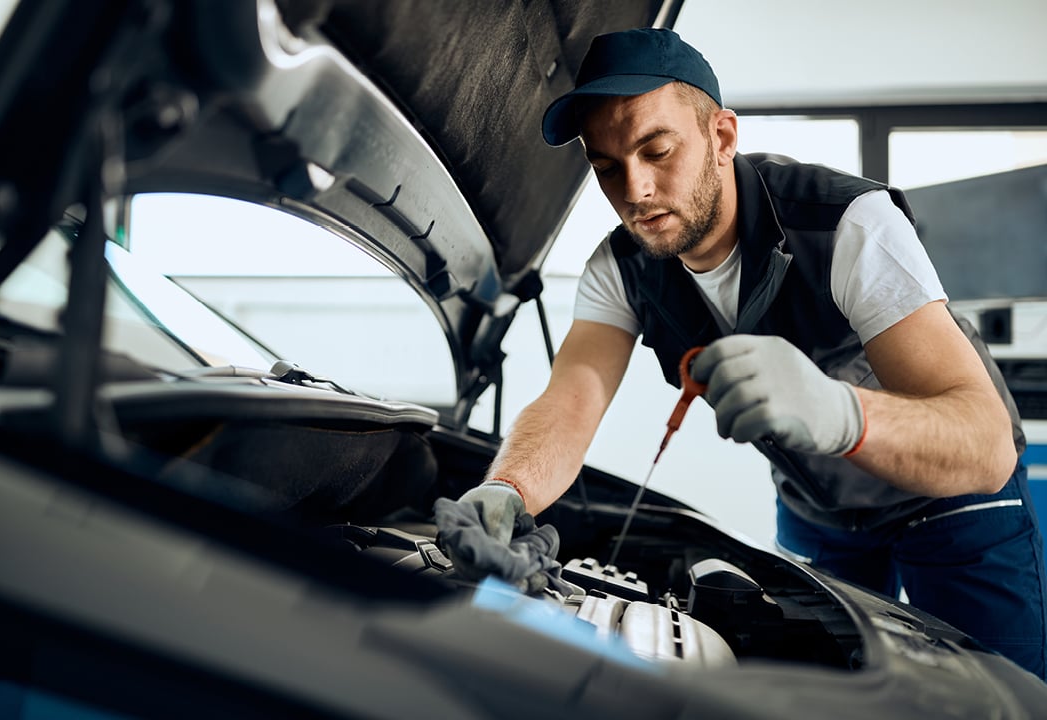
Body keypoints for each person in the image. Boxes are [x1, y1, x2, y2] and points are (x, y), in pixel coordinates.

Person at [433, 26, 1047, 679]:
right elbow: (569, 401)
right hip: (819, 511)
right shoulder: (620, 269)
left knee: (1003, 693)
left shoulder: (845, 225)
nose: (635, 191)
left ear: (722, 137)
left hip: (951, 504)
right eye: (607, 167)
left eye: (657, 149)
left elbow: (984, 448)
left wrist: (841, 413)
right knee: (821, 688)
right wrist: (507, 489)